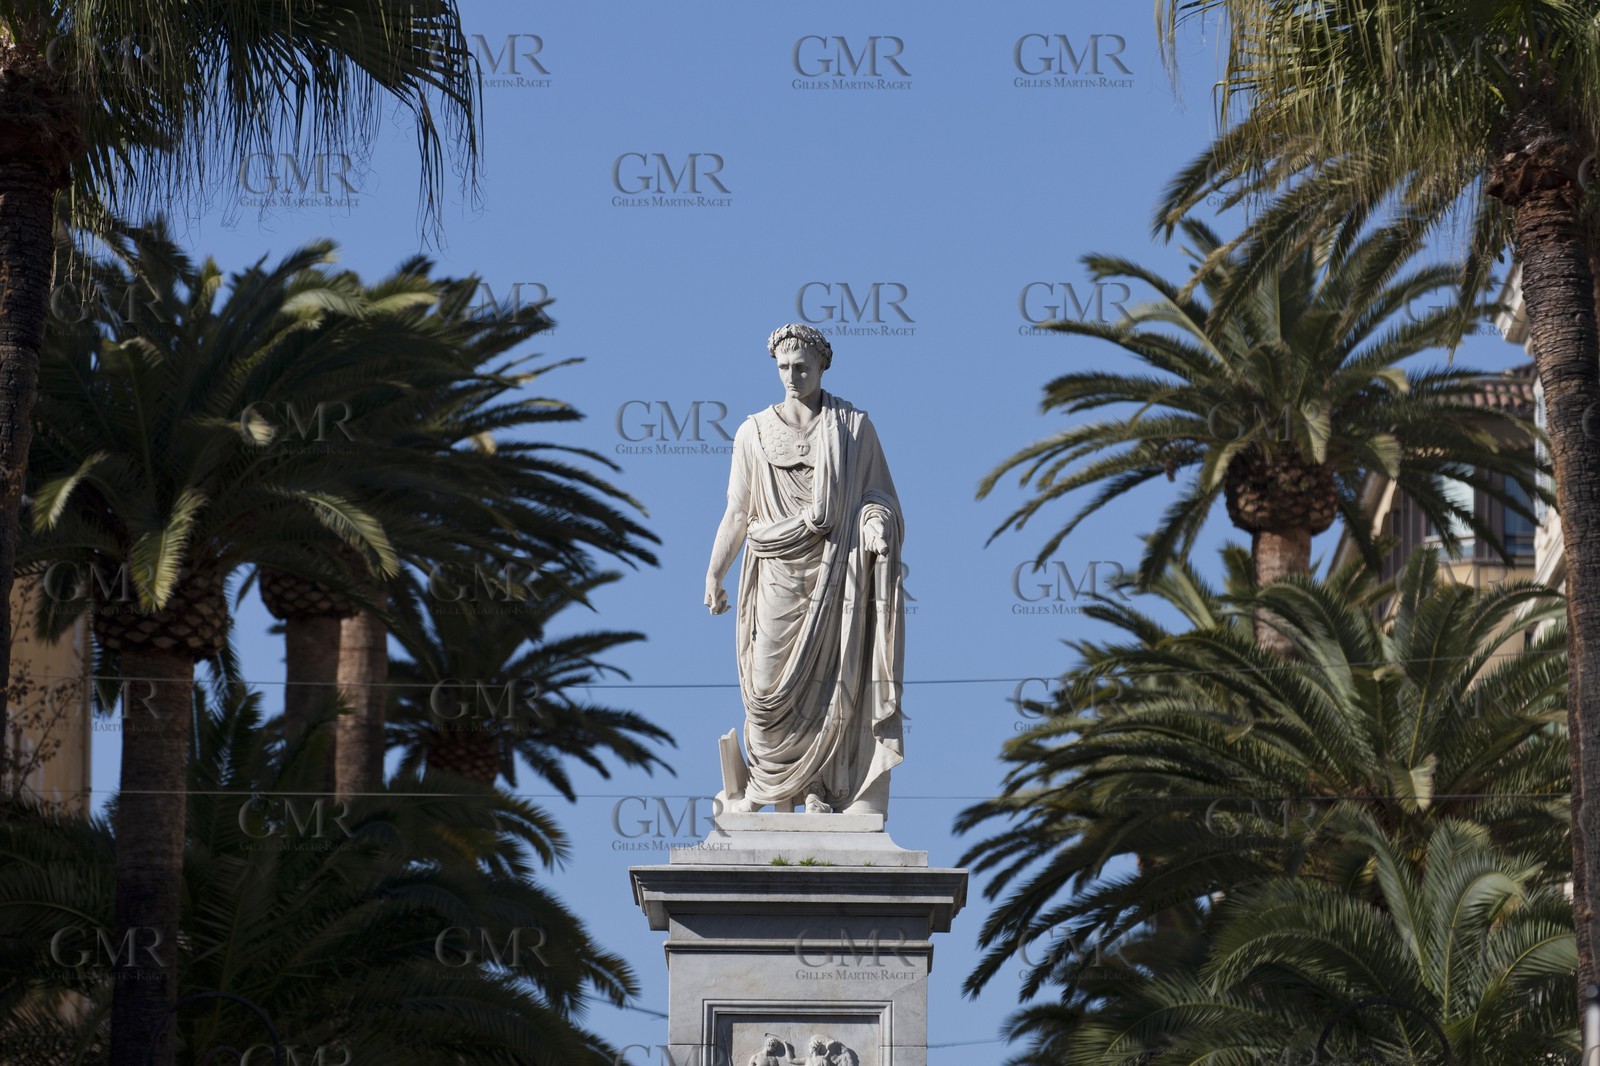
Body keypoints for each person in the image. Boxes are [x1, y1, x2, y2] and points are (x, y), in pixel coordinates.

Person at [705, 323, 906, 817]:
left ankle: (815, 787)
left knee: (829, 684)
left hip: (836, 571)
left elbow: (878, 497)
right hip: (774, 571)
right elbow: (737, 511)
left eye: (802, 367)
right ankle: (769, 785)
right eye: (784, 368)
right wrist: (715, 573)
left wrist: (876, 527)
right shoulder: (752, 432)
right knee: (766, 686)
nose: (792, 376)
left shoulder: (855, 428)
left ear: (821, 367)